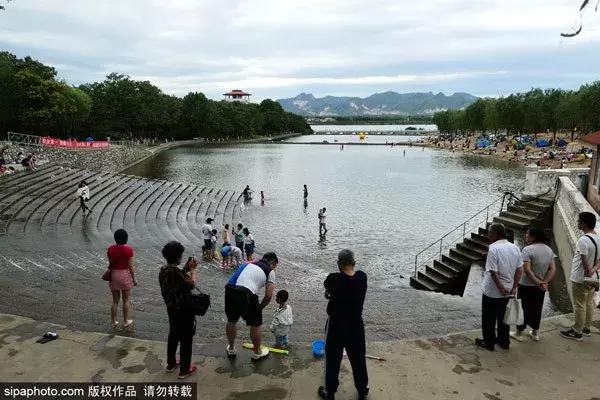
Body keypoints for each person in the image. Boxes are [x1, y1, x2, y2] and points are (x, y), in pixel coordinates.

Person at [318, 249, 368, 400]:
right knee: (358, 358)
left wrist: (329, 293)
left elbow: (328, 286)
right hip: (356, 326)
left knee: (333, 360)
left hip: (336, 327)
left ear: (339, 264)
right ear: (354, 263)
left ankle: (330, 392)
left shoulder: (334, 279)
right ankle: (362, 388)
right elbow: (349, 280)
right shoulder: (362, 278)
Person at [475, 223, 522, 351]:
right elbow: (519, 270)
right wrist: (514, 287)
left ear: (495, 234)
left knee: (488, 318)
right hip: (509, 289)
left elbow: (493, 272)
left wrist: (500, 288)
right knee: (503, 317)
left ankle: (489, 342)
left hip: (492, 291)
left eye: (489, 232)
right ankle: (504, 341)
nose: (488, 235)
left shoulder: (493, 249)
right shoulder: (515, 248)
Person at [224, 252, 279, 361]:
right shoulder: (270, 271)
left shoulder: (247, 263)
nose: (274, 268)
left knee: (231, 320)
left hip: (230, 289)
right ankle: (257, 353)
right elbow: (268, 296)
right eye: (275, 266)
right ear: (272, 262)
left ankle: (231, 348)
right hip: (247, 292)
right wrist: (260, 307)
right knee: (255, 324)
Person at [158, 241, 199, 379]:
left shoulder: (164, 270)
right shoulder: (177, 273)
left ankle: (171, 364)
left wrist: (185, 269)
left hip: (171, 308)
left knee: (173, 335)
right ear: (178, 257)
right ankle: (184, 370)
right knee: (186, 339)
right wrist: (193, 270)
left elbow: (176, 278)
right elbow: (191, 285)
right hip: (183, 309)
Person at [510, 227, 556, 342]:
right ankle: (535, 333)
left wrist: (537, 282)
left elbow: (527, 270)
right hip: (541, 286)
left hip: (526, 285)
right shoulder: (549, 250)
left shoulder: (527, 250)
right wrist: (544, 282)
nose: (525, 236)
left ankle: (519, 333)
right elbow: (552, 269)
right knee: (537, 308)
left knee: (523, 308)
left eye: (527, 234)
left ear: (534, 236)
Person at [560, 212, 600, 340]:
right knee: (588, 303)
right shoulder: (598, 238)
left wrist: (588, 270)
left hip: (580, 278)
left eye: (579, 221)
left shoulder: (583, 240)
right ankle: (586, 328)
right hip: (593, 278)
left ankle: (577, 331)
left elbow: (583, 259)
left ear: (583, 224)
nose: (577, 223)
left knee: (579, 305)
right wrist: (593, 270)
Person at [107, 229, 137, 329]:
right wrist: (134, 279)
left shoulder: (110, 249)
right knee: (126, 300)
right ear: (126, 238)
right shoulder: (129, 250)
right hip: (124, 276)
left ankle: (113, 322)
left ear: (115, 238)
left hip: (114, 275)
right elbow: (130, 266)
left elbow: (111, 263)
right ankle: (125, 321)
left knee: (115, 301)